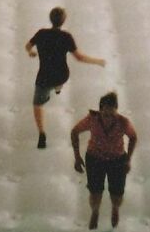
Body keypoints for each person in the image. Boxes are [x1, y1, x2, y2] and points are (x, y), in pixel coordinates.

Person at [26, 8, 106, 149]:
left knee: (37, 104)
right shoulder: (66, 37)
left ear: (50, 18)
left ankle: (42, 133)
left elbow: (27, 46)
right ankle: (57, 89)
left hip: (44, 76)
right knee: (59, 83)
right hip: (61, 75)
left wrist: (31, 52)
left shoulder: (41, 33)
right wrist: (98, 61)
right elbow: (79, 57)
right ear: (63, 21)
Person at [71, 91, 138, 230]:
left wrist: (128, 159)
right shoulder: (92, 119)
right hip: (95, 158)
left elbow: (133, 137)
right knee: (95, 192)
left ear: (116, 111)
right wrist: (77, 157)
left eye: (112, 115)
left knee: (117, 193)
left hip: (117, 159)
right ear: (100, 111)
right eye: (105, 115)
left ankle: (115, 209)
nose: (108, 118)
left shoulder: (123, 122)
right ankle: (95, 212)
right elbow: (75, 131)